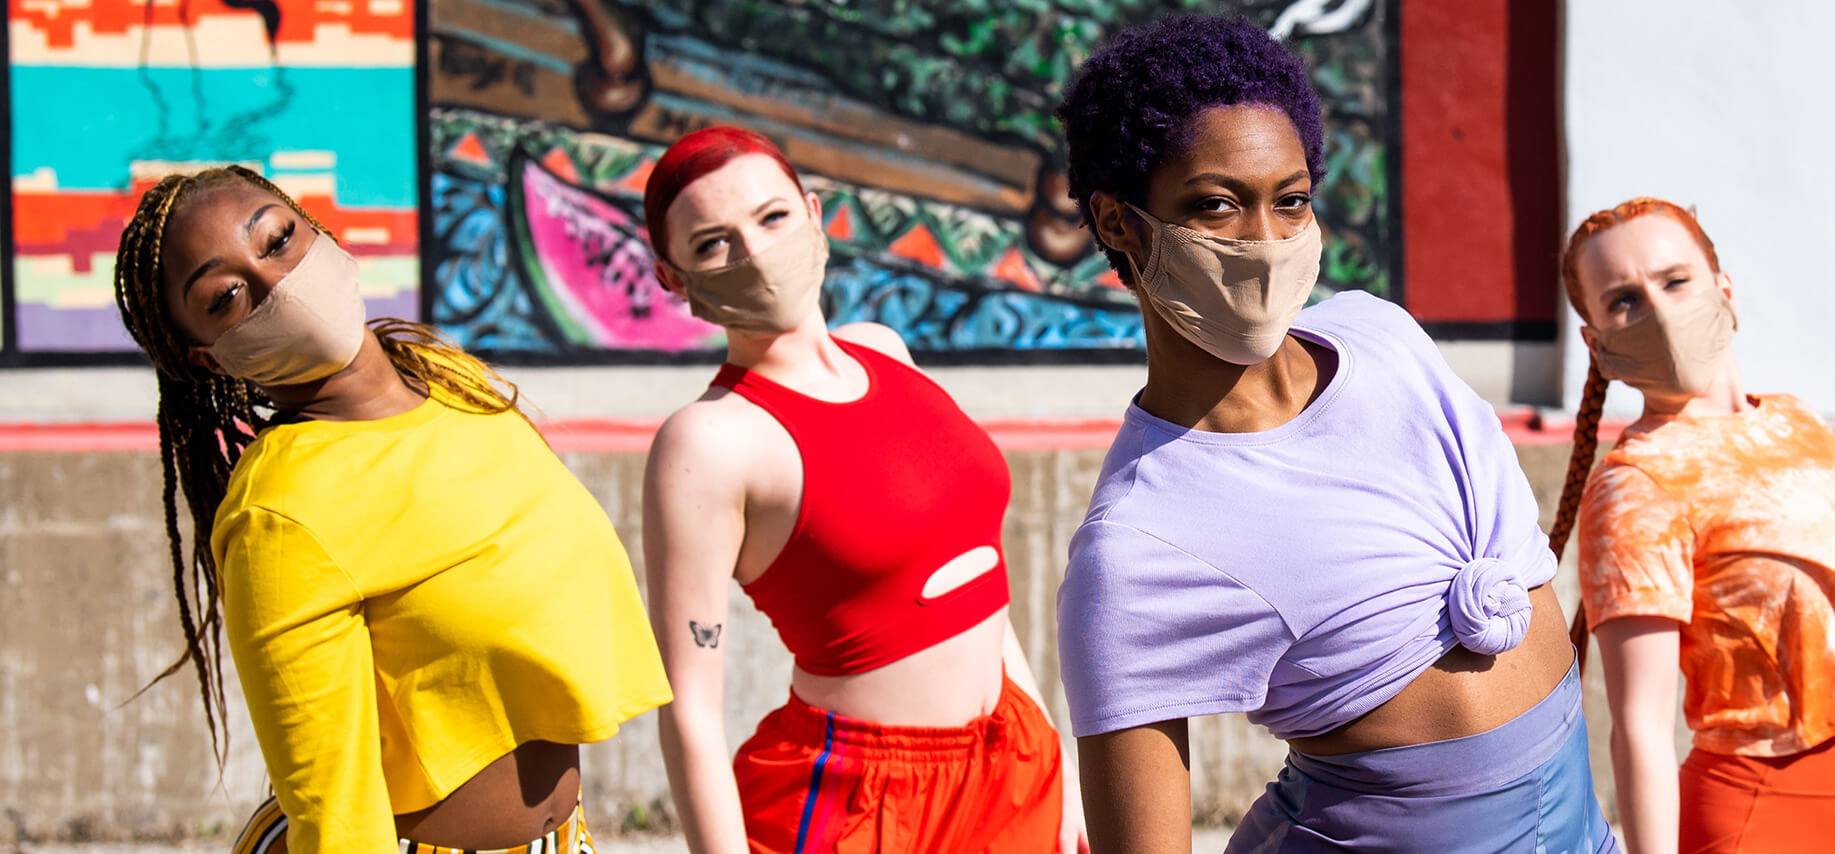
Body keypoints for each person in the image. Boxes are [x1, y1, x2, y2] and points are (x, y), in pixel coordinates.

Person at [1051, 15, 1617, 854]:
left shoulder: (1385, 339)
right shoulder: (1135, 546)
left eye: (1291, 201)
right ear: (1121, 222)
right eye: (1217, 205)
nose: (1266, 242)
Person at [109, 164, 672, 854]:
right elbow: (334, 808)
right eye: (228, 297)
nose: (277, 283)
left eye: (279, 239)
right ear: (207, 361)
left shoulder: (449, 380)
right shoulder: (282, 515)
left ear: (320, 232)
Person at [638, 126, 1078, 854]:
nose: (755, 255)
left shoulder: (886, 350)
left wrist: (1052, 764)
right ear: (672, 278)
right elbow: (690, 708)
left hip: (1015, 764)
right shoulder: (708, 441)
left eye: (772, 218)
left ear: (814, 214)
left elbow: (978, 586)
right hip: (861, 802)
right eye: (714, 244)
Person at [1549, 197, 1835, 854]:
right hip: (1764, 819)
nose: (1660, 311)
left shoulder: (1795, 421)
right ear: (1598, 344)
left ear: (1723, 290)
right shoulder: (1636, 481)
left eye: (1676, 281)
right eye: (1624, 302)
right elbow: (1639, 728)